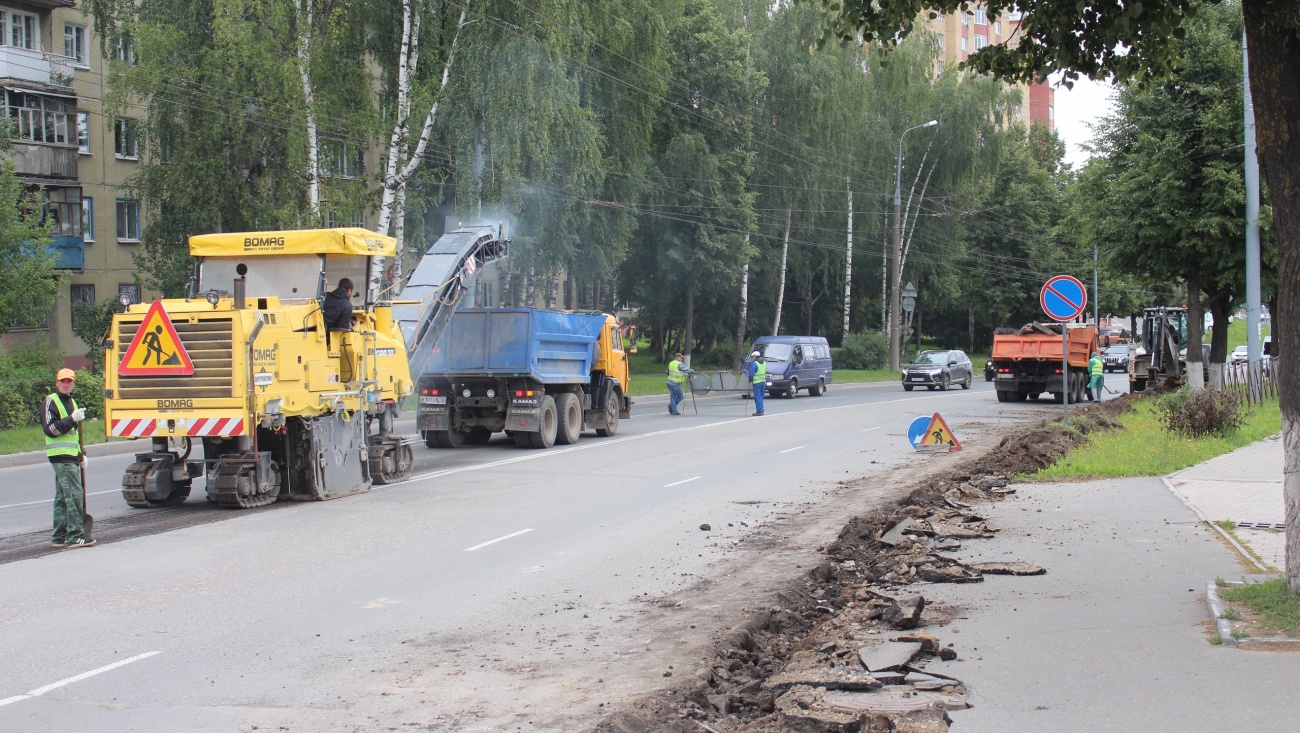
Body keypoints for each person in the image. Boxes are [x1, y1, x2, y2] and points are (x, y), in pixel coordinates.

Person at [43, 368, 93, 548]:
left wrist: (81, 456)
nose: (66, 384)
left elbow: (74, 436)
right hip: (60, 456)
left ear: (73, 383)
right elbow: (51, 429)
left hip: (71, 456)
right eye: (62, 381)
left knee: (63, 497)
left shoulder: (72, 401)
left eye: (69, 381)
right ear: (56, 383)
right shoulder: (51, 401)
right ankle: (74, 536)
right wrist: (72, 419)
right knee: (74, 494)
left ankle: (59, 536)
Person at [746, 350, 767, 416]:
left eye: (752, 356)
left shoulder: (754, 364)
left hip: (757, 382)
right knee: (761, 397)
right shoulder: (764, 363)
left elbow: (751, 374)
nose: (752, 358)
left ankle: (759, 411)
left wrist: (750, 380)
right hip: (763, 382)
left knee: (757, 397)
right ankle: (762, 410)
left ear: (755, 356)